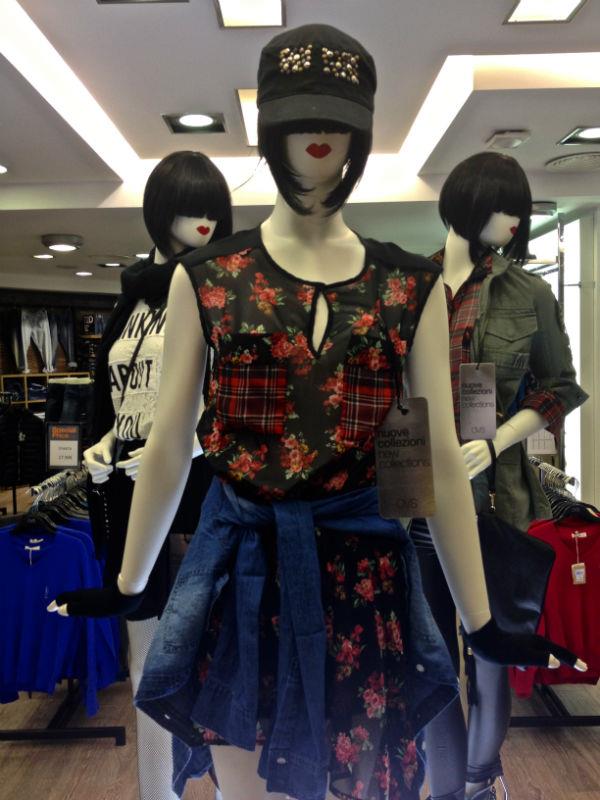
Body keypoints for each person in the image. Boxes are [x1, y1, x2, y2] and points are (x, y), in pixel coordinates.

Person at [50, 26, 585, 800]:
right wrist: (130, 581)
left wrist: (480, 622)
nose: (318, 136)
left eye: (336, 119)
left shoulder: (409, 287)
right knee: (244, 785)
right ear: (269, 130)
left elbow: (437, 457)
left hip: (367, 584)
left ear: (362, 133)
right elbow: (169, 443)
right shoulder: (207, 278)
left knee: (359, 786)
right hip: (243, 579)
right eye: (299, 118)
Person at [410, 151, 588, 800]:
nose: (514, 223)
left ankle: (480, 782)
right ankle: (447, 786)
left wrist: (495, 442)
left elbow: (560, 388)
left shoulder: (528, 294)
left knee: (491, 651)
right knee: (431, 657)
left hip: (494, 500)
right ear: (466, 203)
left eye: (520, 212)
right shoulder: (409, 286)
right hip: (417, 495)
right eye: (502, 208)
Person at [80, 150, 231, 800]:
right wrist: (104, 444)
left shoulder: (224, 291)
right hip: (132, 496)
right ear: (159, 213)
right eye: (187, 209)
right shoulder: (135, 297)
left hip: (201, 499)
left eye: (212, 209)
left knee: (213, 656)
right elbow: (114, 393)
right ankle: (156, 793)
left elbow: (239, 397)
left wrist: (189, 446)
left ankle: (225, 787)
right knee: (145, 664)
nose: (203, 222)